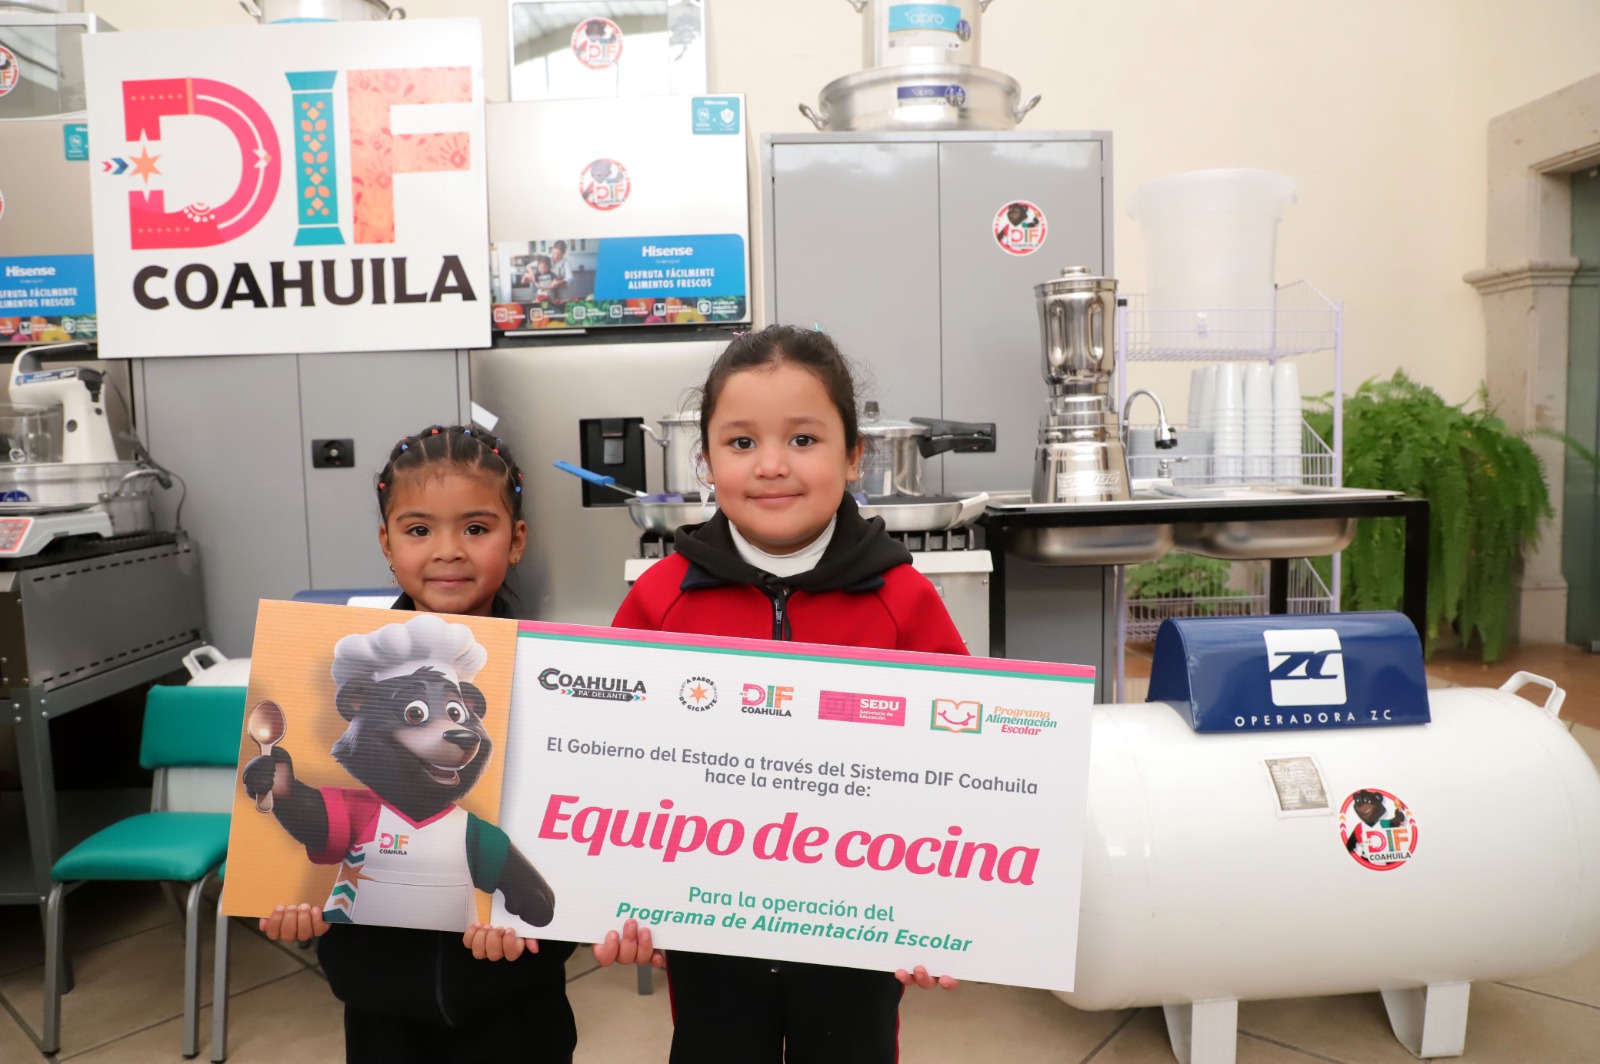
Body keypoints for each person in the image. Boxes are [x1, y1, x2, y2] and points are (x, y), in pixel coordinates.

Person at [598, 324, 962, 1063]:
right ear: (705, 461)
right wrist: (618, 895)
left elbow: (960, 771)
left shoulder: (904, 599)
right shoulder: (659, 599)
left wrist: (941, 914)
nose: (771, 465)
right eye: (741, 443)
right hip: (708, 929)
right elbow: (608, 763)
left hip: (859, 929)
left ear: (854, 454)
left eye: (803, 439)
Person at [256, 425, 577, 1064]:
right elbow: (304, 838)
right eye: (420, 529)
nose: (448, 551)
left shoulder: (557, 677)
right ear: (387, 542)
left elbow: (569, 842)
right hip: (380, 1000)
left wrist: (535, 927)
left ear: (516, 540)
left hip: (516, 1000)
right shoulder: (340, 663)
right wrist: (286, 895)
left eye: (476, 528)